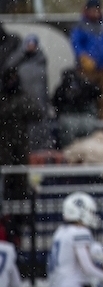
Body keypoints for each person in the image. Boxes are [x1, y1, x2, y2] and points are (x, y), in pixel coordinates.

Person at [48, 191, 103, 287]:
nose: (92, 215)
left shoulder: (60, 232)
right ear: (79, 212)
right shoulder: (80, 232)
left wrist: (95, 256)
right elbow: (87, 267)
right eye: (90, 212)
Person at [2, 33, 51, 150]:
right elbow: (8, 69)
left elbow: (44, 85)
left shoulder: (41, 62)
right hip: (23, 101)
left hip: (38, 100)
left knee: (39, 127)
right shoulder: (18, 62)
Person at [0, 67, 42, 200]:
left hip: (20, 145)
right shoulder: (3, 98)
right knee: (5, 180)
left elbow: (37, 113)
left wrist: (18, 109)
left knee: (21, 182)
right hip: (3, 146)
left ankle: (21, 216)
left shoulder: (24, 96)